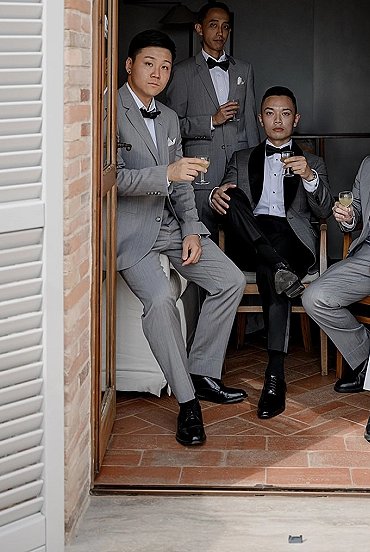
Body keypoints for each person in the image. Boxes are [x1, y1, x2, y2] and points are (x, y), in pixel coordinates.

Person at [117, 29, 248, 448]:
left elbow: (181, 186)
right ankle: (188, 403)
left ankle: (203, 372)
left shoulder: (170, 118)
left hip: (172, 225)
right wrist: (166, 173)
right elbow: (111, 179)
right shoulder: (108, 111)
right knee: (160, 302)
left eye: (165, 67)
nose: (157, 73)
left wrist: (191, 227)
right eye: (149, 64)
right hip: (132, 232)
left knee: (230, 281)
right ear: (129, 66)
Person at [210, 86, 333, 420]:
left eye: (285, 113)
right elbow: (223, 204)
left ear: (296, 119)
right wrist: (215, 196)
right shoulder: (241, 158)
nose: (278, 120)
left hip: (292, 239)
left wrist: (309, 177)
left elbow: (324, 211)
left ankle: (274, 374)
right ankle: (275, 375)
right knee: (232, 196)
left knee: (273, 271)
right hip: (251, 237)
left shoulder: (313, 162)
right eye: (270, 113)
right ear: (260, 119)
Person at [303, 89, 370, 444]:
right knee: (315, 297)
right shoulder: (369, 164)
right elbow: (357, 216)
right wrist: (346, 217)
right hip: (368, 253)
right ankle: (368, 361)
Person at [165, 1, 260, 233]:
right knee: (201, 234)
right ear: (199, 28)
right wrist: (211, 121)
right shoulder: (182, 72)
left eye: (225, 26)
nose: (220, 32)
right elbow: (171, 127)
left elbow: (249, 121)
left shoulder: (244, 69)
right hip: (202, 169)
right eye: (213, 25)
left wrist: (256, 165)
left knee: (241, 233)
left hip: (239, 165)